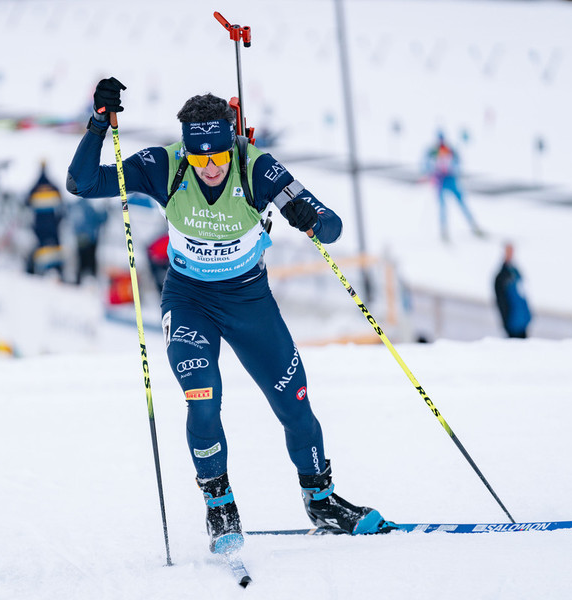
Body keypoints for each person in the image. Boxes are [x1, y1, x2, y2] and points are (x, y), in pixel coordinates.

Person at [67, 77, 394, 555]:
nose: (211, 167)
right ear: (186, 150)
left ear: (231, 143)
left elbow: (333, 225)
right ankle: (220, 506)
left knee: (295, 402)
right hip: (189, 301)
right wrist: (99, 124)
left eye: (219, 155)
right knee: (202, 399)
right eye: (200, 158)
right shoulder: (164, 165)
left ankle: (320, 501)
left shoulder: (255, 166)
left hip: (249, 301)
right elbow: (82, 182)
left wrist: (307, 216)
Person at [422, 131, 483, 242]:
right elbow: (425, 164)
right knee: (443, 206)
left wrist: (453, 170)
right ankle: (444, 230)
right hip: (440, 181)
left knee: (461, 203)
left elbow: (458, 162)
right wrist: (433, 173)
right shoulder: (432, 152)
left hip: (451, 179)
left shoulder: (450, 150)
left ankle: (474, 225)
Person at [25, 160, 64, 279]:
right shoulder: (53, 187)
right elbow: (62, 207)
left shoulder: (35, 188)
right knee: (54, 249)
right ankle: (56, 271)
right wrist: (58, 222)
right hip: (52, 225)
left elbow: (26, 203)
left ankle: (41, 272)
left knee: (41, 249)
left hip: (40, 226)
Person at [494, 242, 532, 338]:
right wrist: (505, 319)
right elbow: (500, 300)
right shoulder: (502, 276)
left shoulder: (516, 272)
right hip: (511, 322)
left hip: (522, 320)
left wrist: (528, 315)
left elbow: (523, 294)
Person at [68, 194, 108, 284]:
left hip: (79, 238)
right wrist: (105, 211)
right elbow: (99, 220)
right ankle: (91, 279)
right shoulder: (89, 207)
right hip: (90, 238)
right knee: (90, 261)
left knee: (81, 260)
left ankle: (79, 281)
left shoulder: (75, 206)